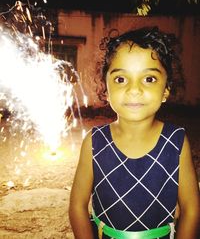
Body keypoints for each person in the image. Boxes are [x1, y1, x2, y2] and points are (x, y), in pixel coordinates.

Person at [69, 26, 200, 239]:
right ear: (106, 87)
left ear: (166, 89)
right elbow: (77, 206)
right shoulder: (95, 142)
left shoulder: (176, 142)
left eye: (149, 79)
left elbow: (191, 209)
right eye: (121, 79)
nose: (134, 89)